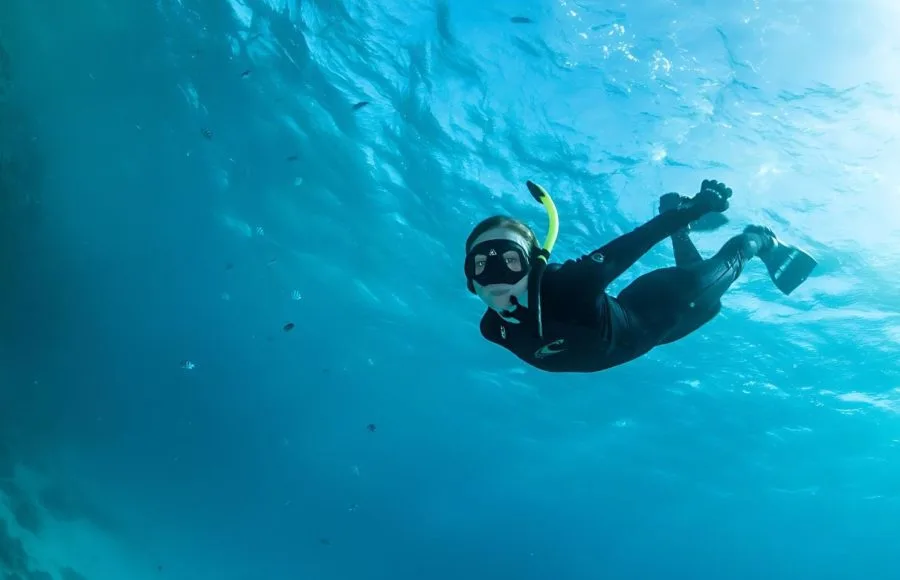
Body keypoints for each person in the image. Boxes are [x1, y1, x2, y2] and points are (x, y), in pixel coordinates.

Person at [463, 179, 817, 373]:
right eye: (480, 264)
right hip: (645, 321)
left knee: (728, 262)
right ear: (469, 278)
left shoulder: (566, 286)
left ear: (533, 262)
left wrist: (694, 209)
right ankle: (684, 229)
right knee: (698, 284)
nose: (494, 275)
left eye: (508, 260)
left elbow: (634, 243)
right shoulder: (492, 329)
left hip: (672, 302)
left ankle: (760, 239)